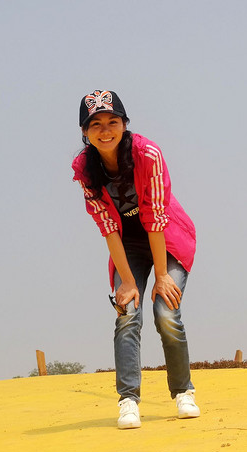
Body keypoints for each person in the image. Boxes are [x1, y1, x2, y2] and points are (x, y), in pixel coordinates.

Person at [72, 89, 199, 430]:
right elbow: (108, 227)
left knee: (165, 311)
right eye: (95, 124)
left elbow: (156, 217)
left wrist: (161, 275)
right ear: (85, 132)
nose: (105, 130)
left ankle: (183, 392)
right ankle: (128, 400)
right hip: (126, 246)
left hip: (166, 240)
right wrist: (128, 282)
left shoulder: (148, 154)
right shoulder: (85, 168)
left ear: (125, 124)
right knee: (127, 313)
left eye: (112, 121)